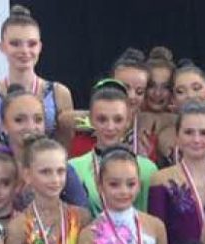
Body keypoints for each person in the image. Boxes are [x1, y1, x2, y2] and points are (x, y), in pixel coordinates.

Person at [0, 5, 73, 141]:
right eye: (15, 44)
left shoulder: (59, 93)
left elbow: (65, 145)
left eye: (32, 44)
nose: (24, 51)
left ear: (40, 47)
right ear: (1, 47)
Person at [66, 80, 160, 215]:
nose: (110, 127)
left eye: (118, 120)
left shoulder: (147, 169)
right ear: (91, 120)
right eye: (102, 119)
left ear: (128, 121)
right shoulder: (74, 168)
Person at [146, 103, 205, 244]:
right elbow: (157, 237)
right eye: (189, 132)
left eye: (204, 133)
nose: (196, 140)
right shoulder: (161, 180)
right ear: (177, 136)